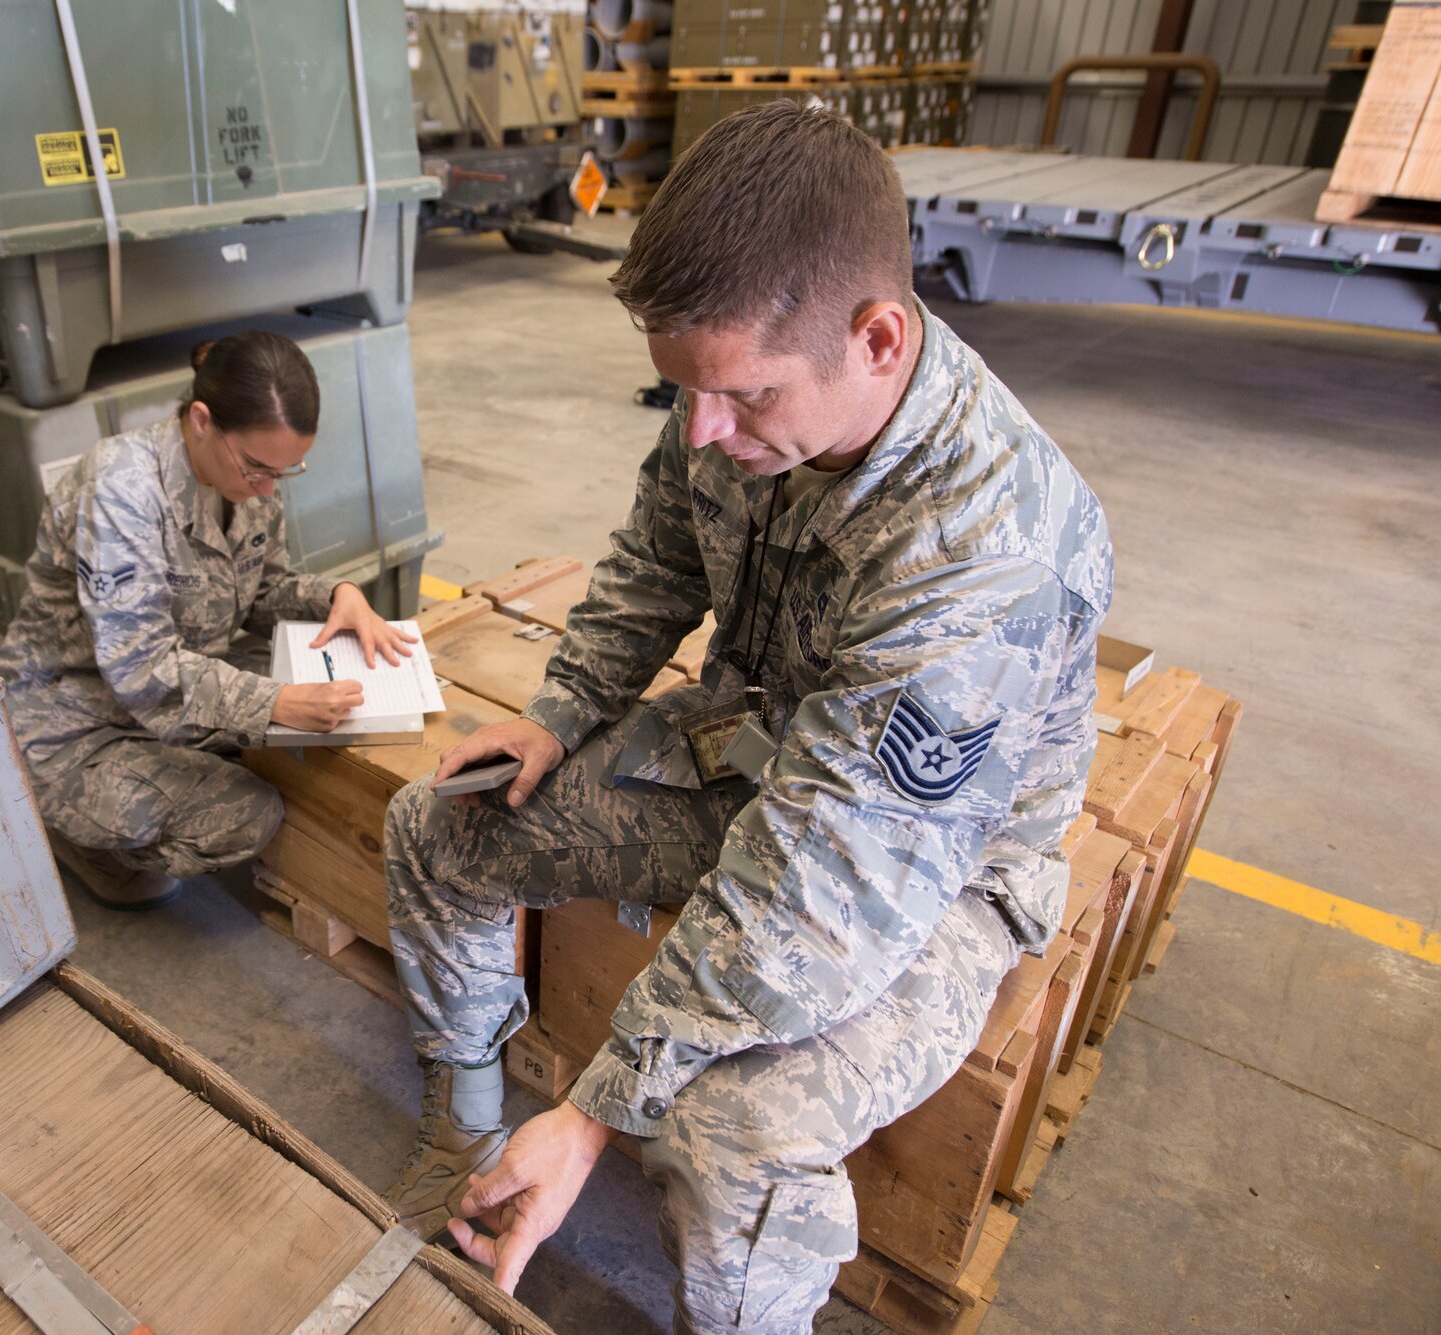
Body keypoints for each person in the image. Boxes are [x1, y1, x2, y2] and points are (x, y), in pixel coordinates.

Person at [380, 102, 1113, 1332]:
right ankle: (462, 1149)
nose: (704, 432)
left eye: (742, 397)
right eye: (688, 394)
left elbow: (823, 889)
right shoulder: (734, 399)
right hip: (757, 753)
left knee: (729, 1128)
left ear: (876, 338)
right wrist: (562, 712)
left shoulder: (985, 551)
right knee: (438, 823)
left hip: (927, 870)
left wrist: (599, 1106)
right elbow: (658, 552)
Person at [0, 330, 414, 907]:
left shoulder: (245, 473)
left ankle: (173, 774)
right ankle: (81, 837)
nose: (267, 488)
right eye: (258, 469)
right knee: (247, 813)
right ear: (200, 420)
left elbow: (259, 586)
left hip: (180, 678)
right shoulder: (121, 488)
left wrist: (337, 597)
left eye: (284, 474)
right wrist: (273, 705)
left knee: (327, 720)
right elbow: (142, 670)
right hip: (76, 720)